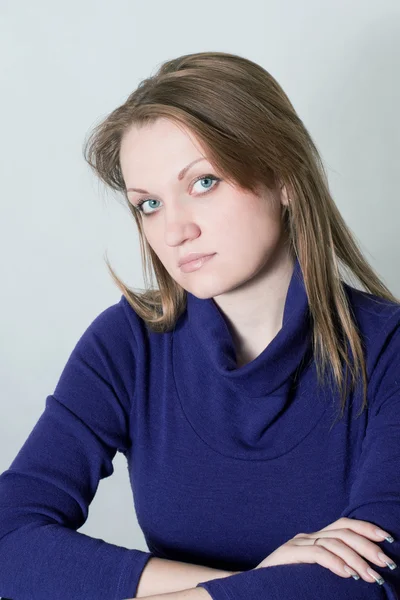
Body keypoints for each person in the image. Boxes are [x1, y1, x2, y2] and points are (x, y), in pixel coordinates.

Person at [0, 51, 399, 600]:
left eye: (204, 181)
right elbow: (8, 539)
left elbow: (373, 579)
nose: (174, 229)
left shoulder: (389, 351)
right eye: (149, 204)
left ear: (283, 176)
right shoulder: (126, 344)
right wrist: (255, 584)